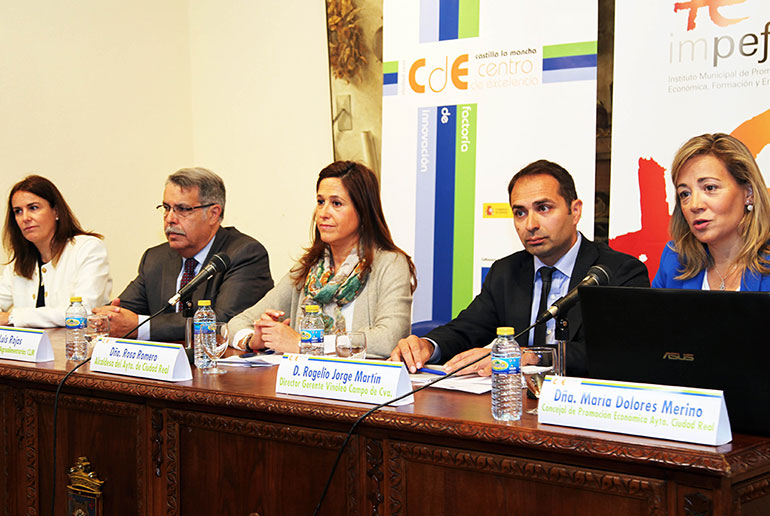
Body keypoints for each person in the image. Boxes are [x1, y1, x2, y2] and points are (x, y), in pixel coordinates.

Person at [390, 160, 650, 376]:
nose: (530, 224)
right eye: (520, 213)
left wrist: (531, 355)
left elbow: (618, 352)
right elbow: (467, 328)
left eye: (544, 208)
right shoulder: (506, 272)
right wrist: (427, 345)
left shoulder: (618, 272)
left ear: (575, 211)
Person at [228, 161, 416, 358]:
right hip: (306, 382)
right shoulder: (309, 267)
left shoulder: (390, 264)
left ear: (363, 211)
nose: (323, 213)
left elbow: (389, 339)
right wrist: (254, 340)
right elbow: (237, 323)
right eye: (320, 202)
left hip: (362, 384)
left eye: (336, 204)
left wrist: (305, 344)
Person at [93, 167, 273, 341]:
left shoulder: (244, 254)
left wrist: (141, 327)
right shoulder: (155, 258)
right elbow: (124, 312)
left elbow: (221, 322)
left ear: (213, 213)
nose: (170, 218)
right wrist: (110, 317)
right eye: (166, 208)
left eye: (183, 209)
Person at [653, 133, 770, 291]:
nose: (694, 205)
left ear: (749, 193)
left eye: (710, 188)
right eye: (685, 194)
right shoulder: (674, 261)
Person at [0, 175, 112, 327]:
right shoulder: (19, 261)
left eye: (33, 208)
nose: (25, 217)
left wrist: (12, 318)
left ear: (56, 212)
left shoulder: (88, 248)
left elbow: (81, 311)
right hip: (29, 350)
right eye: (18, 211)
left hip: (79, 347)